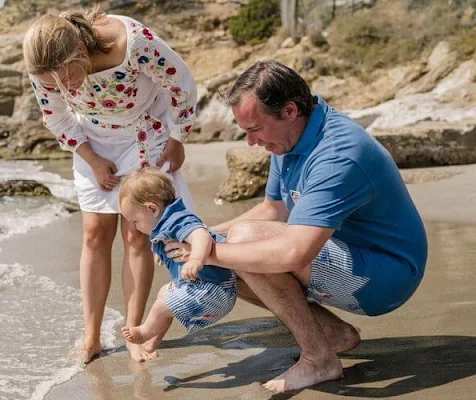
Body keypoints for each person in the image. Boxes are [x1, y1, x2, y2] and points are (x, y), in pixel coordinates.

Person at [163, 60, 428, 392]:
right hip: (346, 255)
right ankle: (331, 335)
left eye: (254, 129)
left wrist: (208, 254)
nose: (250, 142)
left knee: (240, 246)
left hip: (387, 276)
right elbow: (274, 210)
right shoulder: (291, 137)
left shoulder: (337, 154)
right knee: (227, 246)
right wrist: (202, 237)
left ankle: (319, 360)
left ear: (289, 110)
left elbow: (293, 253)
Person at [23, 7, 197, 363]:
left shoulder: (133, 44)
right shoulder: (44, 68)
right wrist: (92, 159)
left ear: (80, 51)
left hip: (144, 131)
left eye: (67, 76)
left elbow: (181, 85)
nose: (62, 88)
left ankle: (134, 331)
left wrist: (178, 138)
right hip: (93, 138)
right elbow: (56, 117)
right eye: (52, 83)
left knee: (136, 233)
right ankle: (91, 338)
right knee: (93, 234)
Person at [117, 168, 237, 349]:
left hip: (214, 290)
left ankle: (144, 332)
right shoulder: (163, 222)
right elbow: (165, 239)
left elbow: (200, 235)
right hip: (203, 287)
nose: (134, 227)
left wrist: (196, 259)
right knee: (164, 294)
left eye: (135, 221)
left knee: (162, 305)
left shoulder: (177, 219)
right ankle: (152, 342)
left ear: (152, 208)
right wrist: (160, 252)